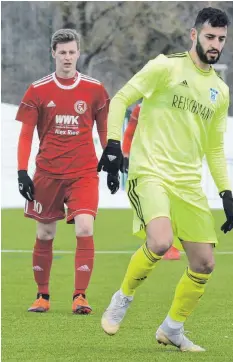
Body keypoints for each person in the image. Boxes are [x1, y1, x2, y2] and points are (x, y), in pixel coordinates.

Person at [98, 7, 233, 352]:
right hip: (151, 171)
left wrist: (226, 192)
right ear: (194, 35)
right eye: (209, 37)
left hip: (188, 183)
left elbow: (215, 148)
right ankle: (122, 297)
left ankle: (172, 328)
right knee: (160, 241)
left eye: (221, 38)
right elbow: (120, 99)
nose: (215, 44)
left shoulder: (220, 89)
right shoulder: (166, 66)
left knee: (204, 264)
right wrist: (113, 143)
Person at [15, 29, 112, 314]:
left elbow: (104, 128)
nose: (67, 57)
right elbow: (25, 135)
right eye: (62, 52)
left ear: (78, 53)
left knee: (85, 226)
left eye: (72, 52)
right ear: (53, 53)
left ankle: (80, 296)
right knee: (45, 234)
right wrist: (22, 172)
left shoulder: (95, 89)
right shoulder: (38, 90)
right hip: (47, 173)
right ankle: (42, 296)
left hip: (83, 172)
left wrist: (111, 157)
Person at [122, 103, 181, 260]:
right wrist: (126, 155)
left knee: (171, 204)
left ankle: (170, 243)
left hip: (169, 163)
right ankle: (155, 240)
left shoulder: (176, 105)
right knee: (151, 205)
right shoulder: (141, 108)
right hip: (145, 164)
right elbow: (129, 133)